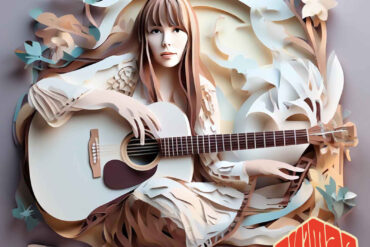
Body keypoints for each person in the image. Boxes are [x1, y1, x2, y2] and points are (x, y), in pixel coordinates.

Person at [28, 0, 304, 246]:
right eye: (156, 31)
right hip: (120, 195)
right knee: (157, 191)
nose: (167, 42)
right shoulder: (126, 71)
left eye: (177, 30)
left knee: (172, 194)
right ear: (144, 36)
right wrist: (113, 100)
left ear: (190, 36)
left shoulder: (202, 92)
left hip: (150, 198)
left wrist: (253, 167)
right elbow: (42, 92)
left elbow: (211, 166)